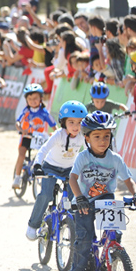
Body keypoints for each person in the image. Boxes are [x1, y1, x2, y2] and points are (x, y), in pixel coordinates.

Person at [68, 111, 136, 271]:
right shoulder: (83, 157)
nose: (103, 140)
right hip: (84, 201)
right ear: (87, 138)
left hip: (105, 199)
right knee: (85, 238)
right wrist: (79, 197)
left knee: (115, 232)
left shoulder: (115, 158)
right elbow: (72, 178)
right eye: (97, 136)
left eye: (106, 136)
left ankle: (109, 257)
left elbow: (128, 179)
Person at [25, 101, 88, 241]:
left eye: (79, 122)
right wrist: (37, 166)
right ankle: (33, 225)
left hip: (70, 170)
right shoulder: (58, 135)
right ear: (63, 122)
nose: (76, 126)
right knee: (46, 195)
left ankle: (74, 225)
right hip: (50, 167)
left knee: (76, 197)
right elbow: (44, 150)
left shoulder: (82, 137)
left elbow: (89, 153)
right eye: (71, 122)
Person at [13, 84, 56, 189]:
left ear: (41, 98)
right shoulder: (26, 111)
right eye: (30, 99)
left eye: (35, 98)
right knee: (21, 154)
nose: (33, 101)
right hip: (27, 137)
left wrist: (56, 133)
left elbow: (54, 125)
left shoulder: (44, 112)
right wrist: (21, 130)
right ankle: (17, 178)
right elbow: (18, 122)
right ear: (26, 100)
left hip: (39, 138)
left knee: (42, 157)